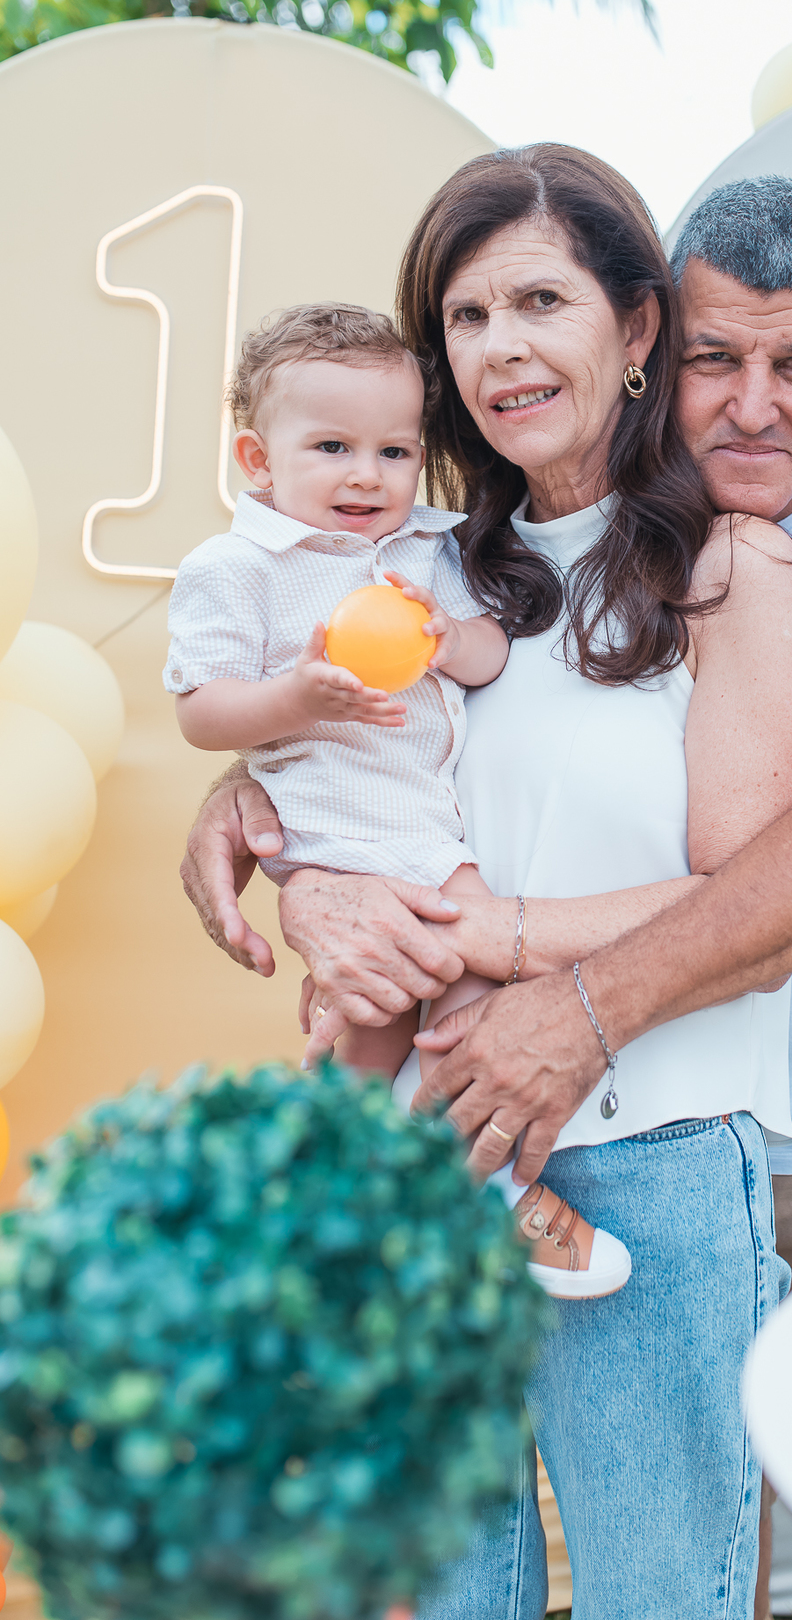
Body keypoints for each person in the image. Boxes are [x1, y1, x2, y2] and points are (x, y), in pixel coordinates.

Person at [184, 174, 792, 1620]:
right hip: (437, 1157)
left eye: (540, 301)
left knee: (678, 1593)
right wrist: (273, 835)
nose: (501, 344)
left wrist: (495, 941)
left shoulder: (733, 563)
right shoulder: (430, 572)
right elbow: (336, 761)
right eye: (467, 315)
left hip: (654, 1155)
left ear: (636, 332)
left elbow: (760, 893)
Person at [164, 302, 630, 1300]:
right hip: (333, 826)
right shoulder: (237, 568)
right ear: (258, 458)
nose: (367, 476)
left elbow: (490, 655)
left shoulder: (427, 551)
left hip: (420, 821)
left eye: (394, 451)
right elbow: (201, 710)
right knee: (453, 998)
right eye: (332, 448)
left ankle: (327, 1189)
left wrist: (447, 639)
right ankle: (487, 1192)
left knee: (390, 1025)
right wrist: (296, 697)